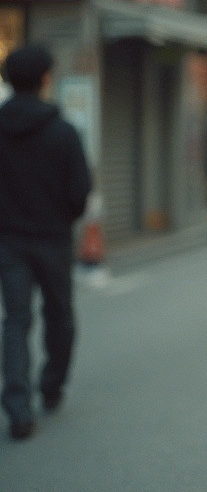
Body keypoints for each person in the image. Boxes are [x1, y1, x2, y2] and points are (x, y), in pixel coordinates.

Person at [0, 44, 91, 440]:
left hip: (8, 240)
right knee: (59, 316)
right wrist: (62, 221)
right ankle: (51, 386)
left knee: (16, 320)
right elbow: (80, 191)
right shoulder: (63, 131)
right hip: (53, 239)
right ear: (45, 79)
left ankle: (18, 407)